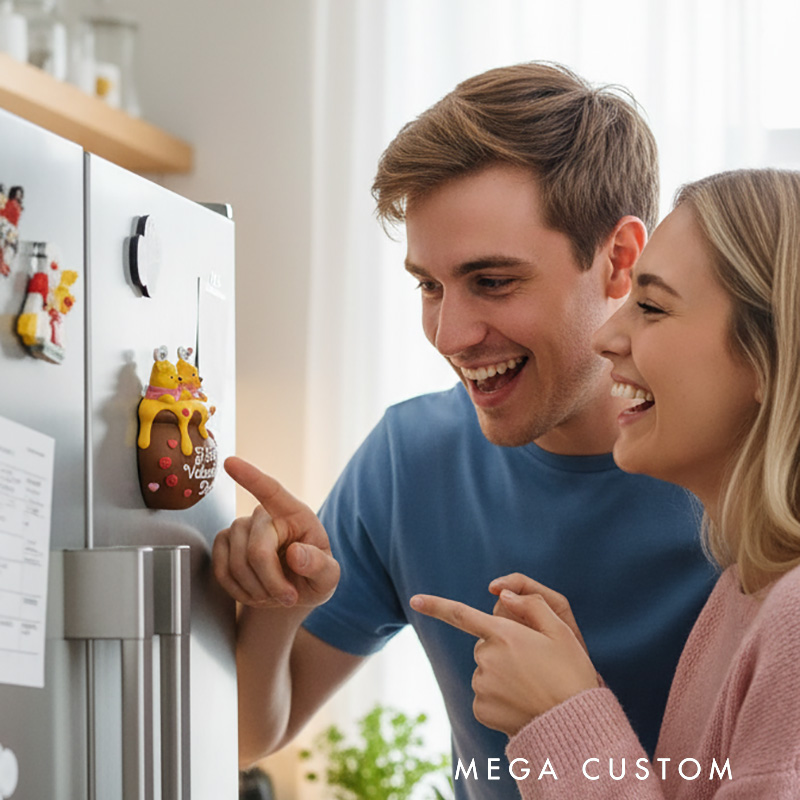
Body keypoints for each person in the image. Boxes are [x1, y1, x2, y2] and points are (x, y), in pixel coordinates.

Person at [212, 62, 716, 799]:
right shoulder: (409, 459)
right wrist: (274, 610)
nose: (450, 335)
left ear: (620, 262)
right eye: (429, 285)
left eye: (493, 281)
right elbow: (244, 736)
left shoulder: (745, 479)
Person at [412, 168, 800, 797]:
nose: (607, 336)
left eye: (653, 307)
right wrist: (572, 692)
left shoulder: (793, 618)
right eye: (429, 285)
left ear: (771, 354)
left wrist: (563, 716)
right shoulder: (745, 591)